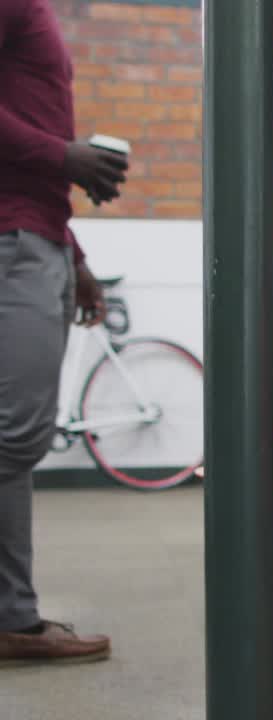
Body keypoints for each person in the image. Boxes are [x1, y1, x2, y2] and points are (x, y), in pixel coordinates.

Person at [1, 0, 128, 665]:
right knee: (12, 437)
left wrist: (72, 255)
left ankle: (13, 617)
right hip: (11, 241)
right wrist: (66, 156)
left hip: (35, 237)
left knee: (11, 443)